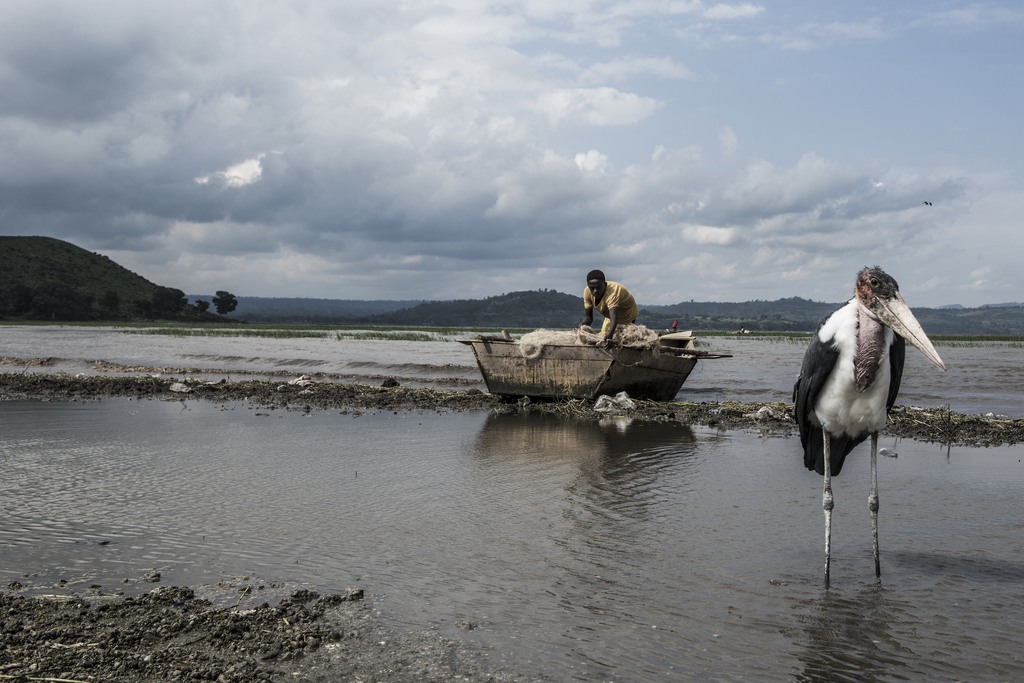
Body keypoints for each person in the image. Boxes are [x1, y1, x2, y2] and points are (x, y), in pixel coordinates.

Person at [577, 270, 639, 346]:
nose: (595, 291)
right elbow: (589, 318)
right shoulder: (587, 292)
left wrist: (610, 336)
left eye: (598, 287)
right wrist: (581, 327)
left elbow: (614, 317)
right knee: (602, 338)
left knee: (623, 341)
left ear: (604, 284)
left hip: (627, 316)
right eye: (592, 288)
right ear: (588, 286)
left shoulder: (612, 292)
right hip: (610, 317)